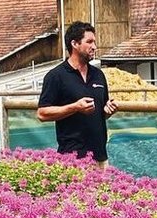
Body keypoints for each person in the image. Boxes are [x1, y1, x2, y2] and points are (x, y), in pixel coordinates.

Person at [37, 21, 118, 167]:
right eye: (89, 42)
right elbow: (42, 113)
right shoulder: (56, 76)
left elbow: (101, 112)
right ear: (75, 44)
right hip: (72, 159)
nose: (94, 46)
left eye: (94, 42)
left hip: (100, 157)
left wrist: (107, 111)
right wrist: (75, 107)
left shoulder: (99, 75)